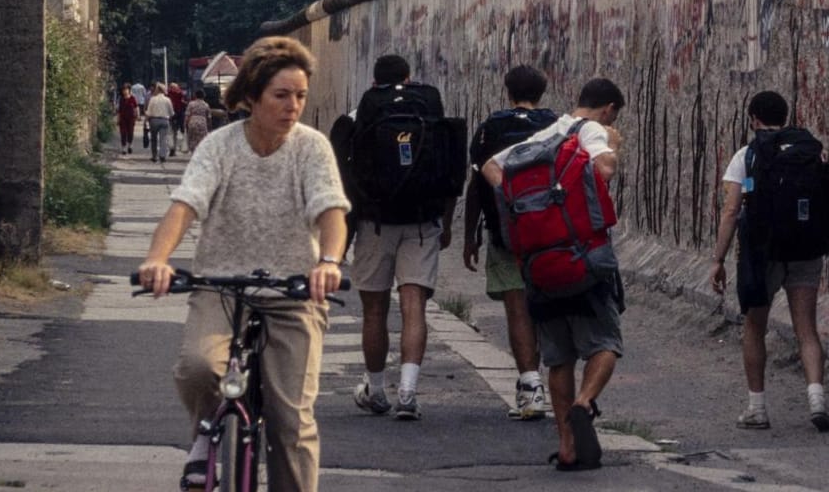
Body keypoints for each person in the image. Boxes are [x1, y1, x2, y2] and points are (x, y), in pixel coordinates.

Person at [136, 35, 349, 492]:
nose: (293, 105)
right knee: (199, 366)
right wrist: (158, 260)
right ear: (251, 96)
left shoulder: (312, 148)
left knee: (291, 422)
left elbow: (331, 211)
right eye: (281, 95)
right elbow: (184, 206)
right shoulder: (219, 147)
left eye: (300, 96)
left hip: (294, 291)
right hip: (221, 285)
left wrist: (329, 262)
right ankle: (205, 434)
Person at [481, 77, 626, 472]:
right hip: (583, 259)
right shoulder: (593, 130)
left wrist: (528, 209)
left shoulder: (546, 134)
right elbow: (606, 169)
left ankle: (567, 446)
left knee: (559, 360)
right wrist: (612, 143)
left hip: (539, 265)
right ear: (609, 108)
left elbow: (491, 167)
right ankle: (584, 403)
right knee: (605, 344)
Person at [709, 90, 829, 432]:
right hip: (806, 248)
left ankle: (757, 408)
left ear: (753, 119)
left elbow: (731, 210)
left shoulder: (746, 155)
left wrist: (718, 259)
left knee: (754, 327)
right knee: (806, 328)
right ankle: (817, 400)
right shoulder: (809, 150)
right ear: (785, 115)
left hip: (762, 252)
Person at [343, 54, 455, 421]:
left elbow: (346, 171)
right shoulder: (427, 103)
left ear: (374, 82)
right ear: (408, 78)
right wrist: (448, 222)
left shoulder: (366, 109)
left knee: (375, 310)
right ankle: (408, 392)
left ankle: (376, 390)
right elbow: (448, 168)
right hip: (422, 220)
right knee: (413, 306)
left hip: (375, 222)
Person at [462, 64, 557, 421]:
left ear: (507, 91)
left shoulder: (492, 127)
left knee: (517, 307)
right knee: (547, 308)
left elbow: (477, 186)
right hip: (551, 233)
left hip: (507, 233)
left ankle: (531, 385)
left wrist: (471, 235)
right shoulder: (558, 126)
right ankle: (556, 382)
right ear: (542, 92)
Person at [145, 82, 176, 164]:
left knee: (154, 139)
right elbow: (172, 112)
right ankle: (162, 155)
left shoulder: (152, 99)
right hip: (164, 120)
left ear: (157, 90)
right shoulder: (167, 100)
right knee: (163, 139)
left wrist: (146, 121)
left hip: (154, 120)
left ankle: (154, 156)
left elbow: (148, 112)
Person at [116, 83, 139, 155]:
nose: (125, 91)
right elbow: (119, 110)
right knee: (123, 133)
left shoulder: (132, 98)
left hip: (131, 118)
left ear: (129, 90)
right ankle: (124, 148)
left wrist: (138, 115)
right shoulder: (121, 99)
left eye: (126, 89)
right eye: (124, 90)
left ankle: (130, 145)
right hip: (123, 118)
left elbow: (136, 107)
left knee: (130, 132)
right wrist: (118, 119)